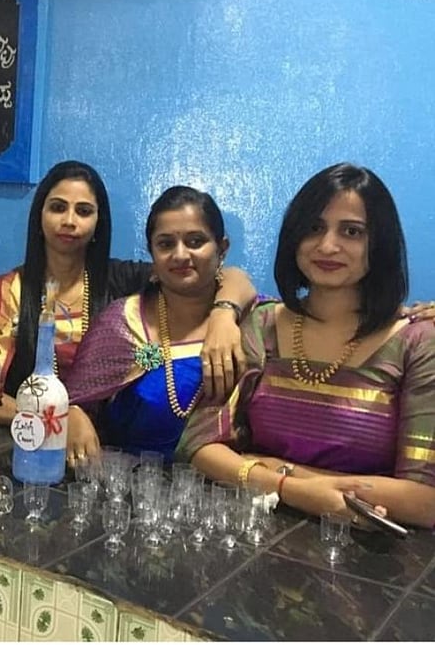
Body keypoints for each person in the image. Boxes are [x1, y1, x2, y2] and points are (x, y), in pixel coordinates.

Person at [178, 163, 435, 527]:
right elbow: (199, 446)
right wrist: (293, 490)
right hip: (255, 539)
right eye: (314, 228)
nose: (328, 246)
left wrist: (282, 472)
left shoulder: (418, 343)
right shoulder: (261, 324)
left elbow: (425, 501)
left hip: (370, 558)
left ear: (379, 243)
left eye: (351, 231)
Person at [0, 160, 255, 425]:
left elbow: (229, 276)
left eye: (84, 211)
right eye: (57, 208)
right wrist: (53, 421)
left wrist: (224, 315)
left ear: (99, 222)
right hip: (24, 437)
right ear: (39, 215)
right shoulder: (6, 292)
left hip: (107, 447)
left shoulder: (124, 280)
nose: (69, 221)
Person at [63, 186, 237, 464]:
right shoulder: (122, 323)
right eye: (166, 244)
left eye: (195, 241)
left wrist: (226, 313)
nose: (180, 255)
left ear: (222, 248)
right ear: (152, 254)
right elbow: (75, 399)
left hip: (229, 492)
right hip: (132, 491)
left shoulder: (249, 321)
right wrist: (73, 412)